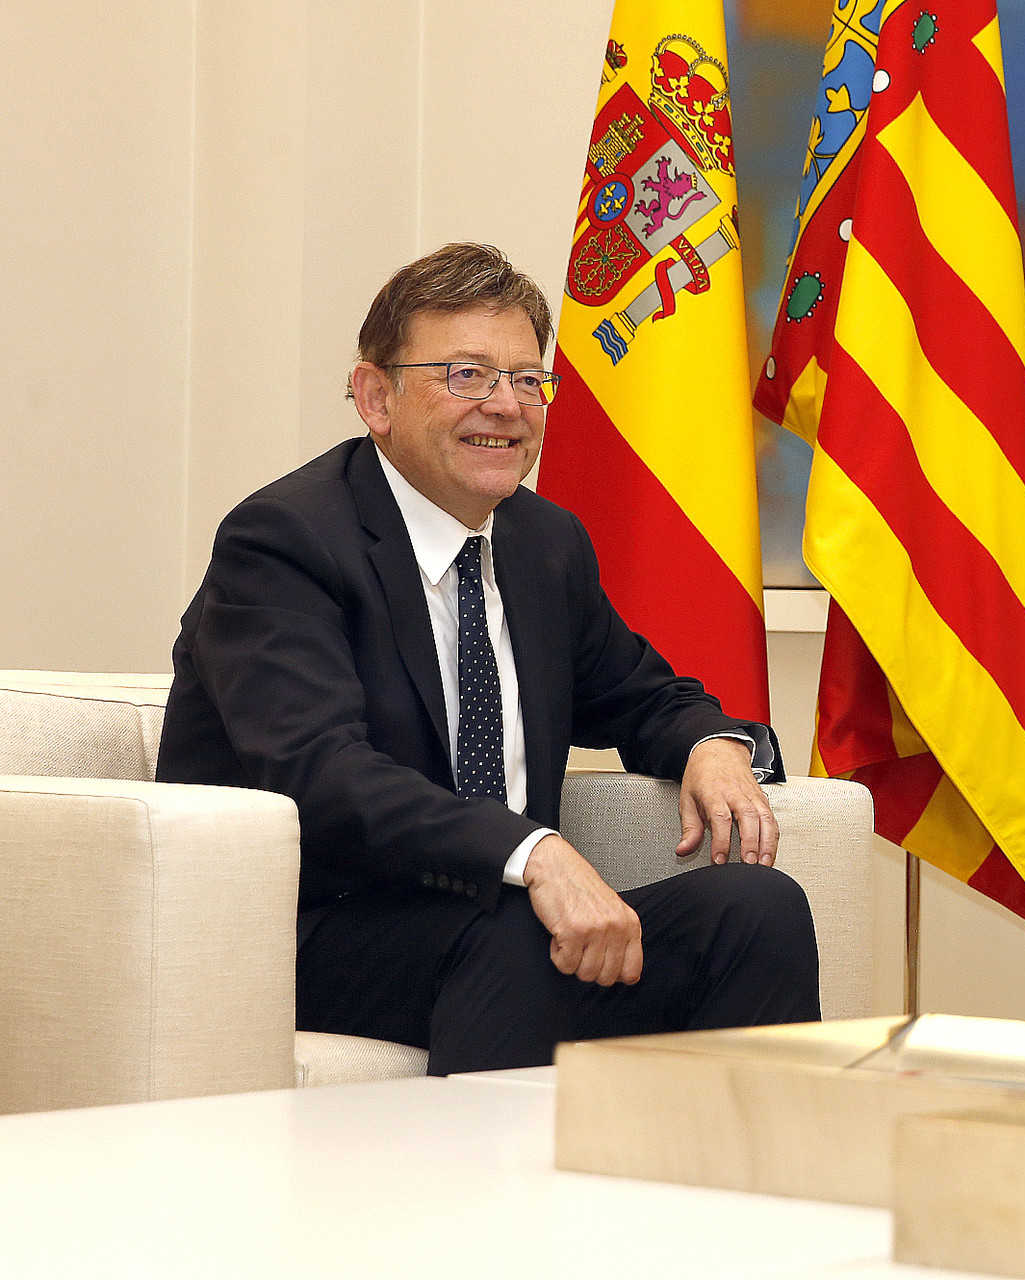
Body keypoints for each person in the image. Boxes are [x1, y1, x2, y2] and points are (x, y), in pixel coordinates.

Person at [159, 242, 819, 1074]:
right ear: (376, 396)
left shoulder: (544, 543)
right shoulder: (286, 540)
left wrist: (710, 744)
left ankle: (736, 1193)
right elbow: (321, 773)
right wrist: (530, 851)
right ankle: (485, 1200)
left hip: (493, 917)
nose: (505, 405)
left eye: (526, 378)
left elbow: (641, 694)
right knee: (513, 925)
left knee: (755, 909)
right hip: (318, 926)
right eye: (467, 374)